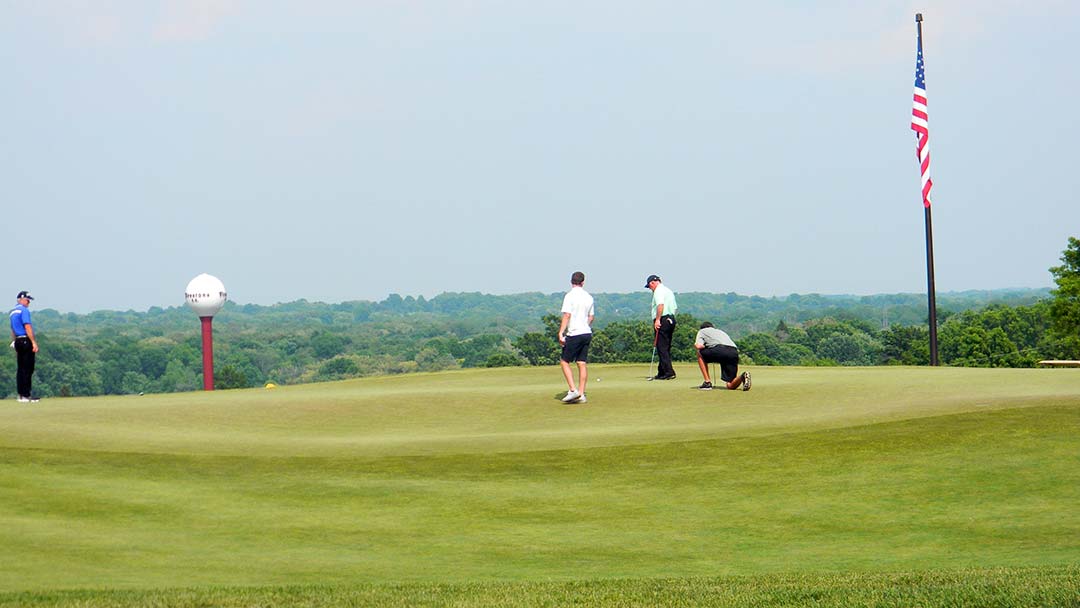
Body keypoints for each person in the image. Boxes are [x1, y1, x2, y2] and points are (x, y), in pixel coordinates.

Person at [557, 271, 594, 404]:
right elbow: (591, 316)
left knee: (564, 361)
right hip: (586, 333)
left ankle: (573, 390)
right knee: (581, 363)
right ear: (583, 282)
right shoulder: (589, 297)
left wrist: (561, 332)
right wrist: (585, 325)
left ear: (571, 282)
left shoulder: (569, 296)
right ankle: (581, 394)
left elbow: (567, 315)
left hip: (574, 333)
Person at [694, 321, 750, 391]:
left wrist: (703, 346)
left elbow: (699, 346)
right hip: (733, 352)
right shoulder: (720, 331)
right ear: (712, 327)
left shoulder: (702, 331)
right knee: (730, 385)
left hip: (719, 349)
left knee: (699, 353)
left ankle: (707, 382)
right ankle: (742, 376)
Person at [644, 274, 678, 380]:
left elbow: (660, 305)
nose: (650, 289)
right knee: (664, 346)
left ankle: (668, 372)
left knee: (661, 347)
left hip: (662, 319)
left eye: (650, 286)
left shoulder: (658, 291)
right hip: (671, 319)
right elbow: (675, 308)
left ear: (652, 283)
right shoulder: (668, 290)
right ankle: (662, 371)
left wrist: (658, 320)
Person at [10, 291, 40, 403]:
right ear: (21, 299)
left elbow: (13, 329)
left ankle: (21, 394)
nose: (28, 302)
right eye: (27, 300)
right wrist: (33, 342)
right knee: (28, 368)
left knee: (21, 368)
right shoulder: (24, 310)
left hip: (17, 340)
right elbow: (27, 326)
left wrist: (14, 341)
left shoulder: (13, 312)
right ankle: (26, 395)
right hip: (25, 340)